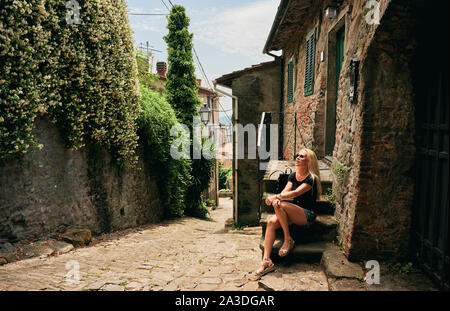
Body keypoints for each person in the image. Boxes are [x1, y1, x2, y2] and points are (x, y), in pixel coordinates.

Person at [255, 148, 322, 277]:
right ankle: (266, 261)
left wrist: (275, 198)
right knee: (271, 222)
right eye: (297, 155)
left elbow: (295, 193)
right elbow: (286, 192)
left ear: (309, 161)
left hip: (307, 215)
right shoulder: (292, 176)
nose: (297, 157)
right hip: (293, 212)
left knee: (281, 203)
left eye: (301, 156)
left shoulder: (312, 178)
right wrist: (277, 198)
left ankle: (288, 239)